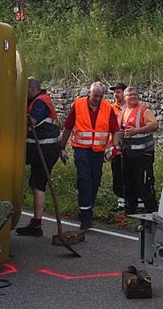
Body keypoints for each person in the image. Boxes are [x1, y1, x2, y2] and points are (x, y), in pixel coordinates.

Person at [61, 82, 119, 230]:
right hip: (81, 149)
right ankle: (85, 216)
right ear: (89, 93)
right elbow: (68, 127)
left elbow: (115, 130)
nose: (98, 99)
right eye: (95, 96)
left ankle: (87, 207)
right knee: (85, 179)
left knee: (95, 181)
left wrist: (114, 147)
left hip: (98, 152)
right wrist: (61, 148)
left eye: (100, 96)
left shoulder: (107, 107)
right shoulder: (78, 105)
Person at [16, 77, 60, 237]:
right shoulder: (39, 100)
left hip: (44, 151)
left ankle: (36, 223)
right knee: (37, 184)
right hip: (41, 149)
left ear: (32, 89)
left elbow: (31, 121)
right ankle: (35, 222)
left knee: (37, 184)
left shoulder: (41, 103)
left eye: (25, 91)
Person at [120, 86, 158, 214]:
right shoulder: (123, 111)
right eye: (130, 95)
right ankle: (130, 210)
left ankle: (151, 211)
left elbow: (154, 125)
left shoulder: (143, 110)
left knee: (144, 184)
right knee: (128, 183)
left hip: (143, 153)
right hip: (128, 153)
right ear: (124, 98)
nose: (133, 96)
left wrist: (137, 130)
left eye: (135, 94)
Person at [108, 83, 127, 210]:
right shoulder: (110, 108)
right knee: (117, 174)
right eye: (114, 92)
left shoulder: (130, 108)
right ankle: (121, 200)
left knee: (129, 174)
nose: (116, 94)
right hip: (114, 147)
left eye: (119, 91)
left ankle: (132, 200)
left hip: (128, 148)